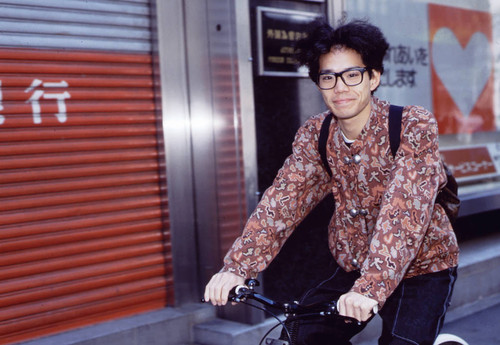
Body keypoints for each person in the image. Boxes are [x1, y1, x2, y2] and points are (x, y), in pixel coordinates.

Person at [204, 19, 459, 345]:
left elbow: (404, 212)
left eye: (352, 74)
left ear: (373, 78)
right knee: (300, 336)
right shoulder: (317, 134)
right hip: (354, 264)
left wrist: (370, 289)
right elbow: (283, 202)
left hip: (422, 267)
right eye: (328, 77)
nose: (340, 87)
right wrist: (237, 267)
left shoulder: (411, 125)